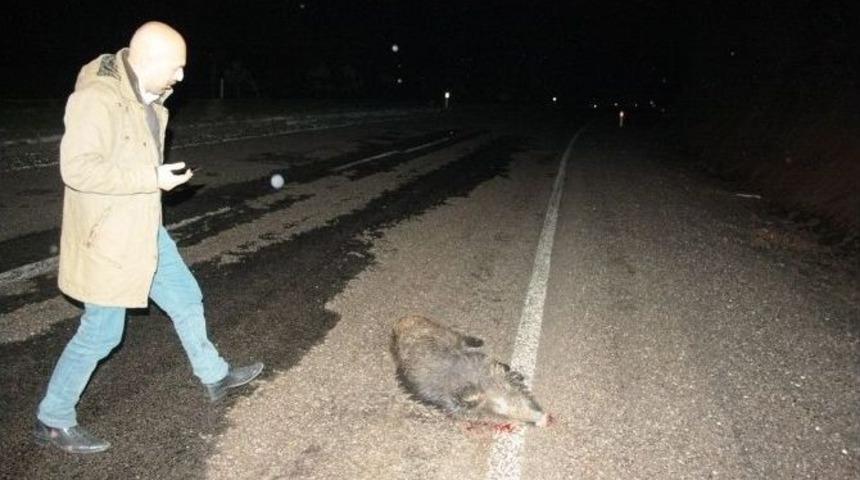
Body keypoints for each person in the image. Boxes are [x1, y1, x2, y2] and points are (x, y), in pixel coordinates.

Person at [33, 21, 264, 454]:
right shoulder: (96, 99)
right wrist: (150, 177)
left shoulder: (152, 102)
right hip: (107, 238)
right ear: (149, 60)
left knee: (185, 297)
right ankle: (52, 419)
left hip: (143, 227)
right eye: (175, 67)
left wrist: (157, 179)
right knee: (101, 333)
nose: (181, 76)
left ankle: (213, 375)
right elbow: (77, 169)